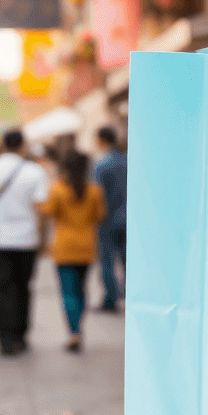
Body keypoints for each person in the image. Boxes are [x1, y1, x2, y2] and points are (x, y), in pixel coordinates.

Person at [0, 129, 50, 356]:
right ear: (23, 145)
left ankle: (6, 338)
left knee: (1, 288)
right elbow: (41, 211)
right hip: (27, 240)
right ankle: (21, 334)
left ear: (3, 145)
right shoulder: (35, 172)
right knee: (23, 287)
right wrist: (43, 240)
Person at [42, 150, 106, 352]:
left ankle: (74, 331)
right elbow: (101, 216)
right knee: (81, 289)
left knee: (68, 292)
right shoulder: (95, 191)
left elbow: (49, 211)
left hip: (64, 246)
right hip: (86, 245)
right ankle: (79, 327)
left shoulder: (58, 189)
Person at [94, 126, 127, 312]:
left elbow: (97, 195)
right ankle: (130, 295)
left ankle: (111, 298)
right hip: (129, 218)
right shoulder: (128, 161)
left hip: (107, 219)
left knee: (107, 261)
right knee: (128, 261)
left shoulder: (102, 165)